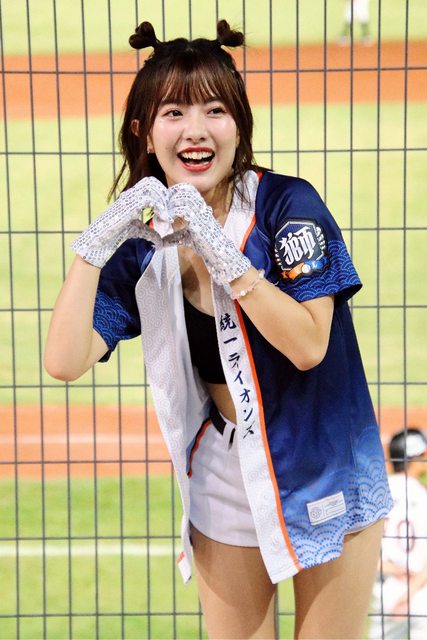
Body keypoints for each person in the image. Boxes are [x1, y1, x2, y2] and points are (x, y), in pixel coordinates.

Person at [44, 19, 393, 639]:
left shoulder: (288, 206)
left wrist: (225, 257)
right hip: (227, 469)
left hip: (323, 459)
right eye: (173, 112)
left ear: (239, 125)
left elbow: (309, 345)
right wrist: (93, 247)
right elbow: (64, 360)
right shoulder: (144, 244)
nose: (196, 129)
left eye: (215, 109)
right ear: (143, 131)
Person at [369, 428, 427, 640]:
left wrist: (394, 570)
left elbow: (365, 553)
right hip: (421, 589)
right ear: (416, 457)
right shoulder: (423, 496)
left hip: (386, 589)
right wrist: (412, 588)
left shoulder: (376, 496)